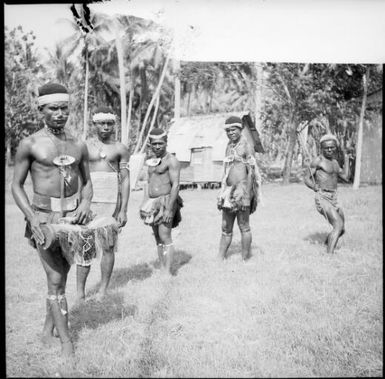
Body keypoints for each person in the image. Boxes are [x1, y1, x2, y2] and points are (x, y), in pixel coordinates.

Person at [11, 83, 93, 358]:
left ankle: (47, 331)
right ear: (41, 109)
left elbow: (87, 182)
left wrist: (85, 202)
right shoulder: (30, 144)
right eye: (53, 108)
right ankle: (67, 343)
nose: (60, 114)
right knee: (56, 277)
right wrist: (32, 217)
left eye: (64, 108)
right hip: (44, 218)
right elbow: (16, 185)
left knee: (62, 276)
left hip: (73, 219)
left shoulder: (78, 143)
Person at [76, 106, 130, 301]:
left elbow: (125, 180)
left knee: (108, 246)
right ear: (94, 124)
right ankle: (80, 293)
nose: (106, 127)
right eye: (101, 123)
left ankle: (103, 290)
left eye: (109, 123)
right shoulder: (84, 146)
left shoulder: (120, 148)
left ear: (114, 124)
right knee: (84, 246)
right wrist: (79, 202)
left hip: (110, 203)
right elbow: (78, 176)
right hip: (88, 201)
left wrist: (123, 210)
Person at [217, 116, 262, 261]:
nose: (230, 133)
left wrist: (247, 195)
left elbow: (252, 173)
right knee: (225, 227)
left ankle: (245, 259)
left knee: (244, 226)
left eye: (233, 130)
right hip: (229, 191)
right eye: (228, 130)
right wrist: (222, 192)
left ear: (240, 129)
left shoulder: (246, 146)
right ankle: (220, 258)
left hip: (242, 192)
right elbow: (226, 171)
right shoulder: (229, 146)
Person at [139, 128, 183, 275]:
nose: (158, 146)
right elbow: (148, 182)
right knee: (157, 237)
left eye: (161, 143)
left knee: (165, 236)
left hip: (166, 202)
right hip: (153, 203)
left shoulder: (172, 161)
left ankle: (168, 272)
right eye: (154, 144)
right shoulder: (151, 162)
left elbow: (176, 185)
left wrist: (170, 209)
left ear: (166, 143)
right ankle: (163, 267)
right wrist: (144, 202)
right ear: (150, 144)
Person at [304, 133, 350, 254]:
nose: (329, 149)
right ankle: (329, 256)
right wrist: (313, 186)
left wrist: (347, 159)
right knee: (338, 225)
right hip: (323, 197)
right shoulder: (318, 161)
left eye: (332, 147)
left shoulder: (335, 163)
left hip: (334, 197)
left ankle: (327, 244)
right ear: (322, 148)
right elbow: (306, 178)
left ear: (335, 147)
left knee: (342, 229)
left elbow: (346, 177)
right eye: (326, 148)